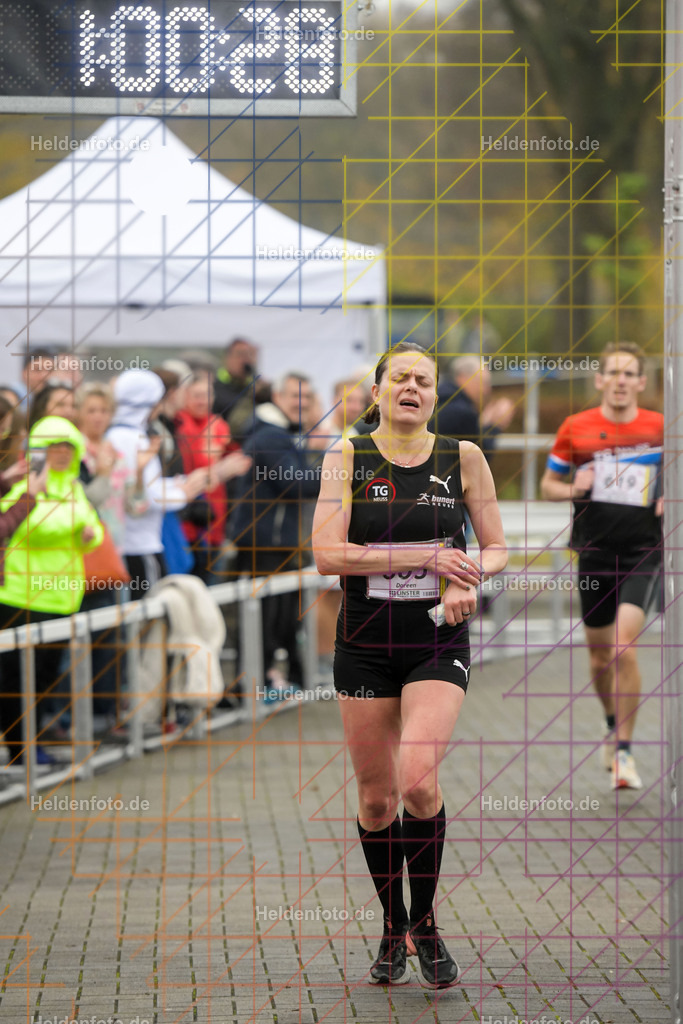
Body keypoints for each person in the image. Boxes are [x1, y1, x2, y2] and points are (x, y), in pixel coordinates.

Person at [312, 342, 507, 987]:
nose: (413, 387)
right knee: (375, 797)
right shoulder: (347, 456)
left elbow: (498, 546)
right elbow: (327, 555)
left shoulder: (463, 458)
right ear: (377, 391)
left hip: (435, 640)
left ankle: (422, 922)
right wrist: (421, 556)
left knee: (418, 780)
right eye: (401, 377)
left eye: (424, 380)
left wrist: (468, 579)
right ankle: (394, 924)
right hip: (365, 644)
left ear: (433, 395)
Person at [541, 342, 663, 791]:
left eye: (629, 374)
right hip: (593, 553)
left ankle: (626, 752)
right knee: (598, 658)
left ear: (641, 382)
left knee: (622, 649)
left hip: (644, 552)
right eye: (612, 372)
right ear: (599, 380)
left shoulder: (661, 428)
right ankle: (612, 723)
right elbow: (548, 485)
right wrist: (575, 485)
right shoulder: (576, 428)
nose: (620, 380)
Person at [0, 416, 104, 767]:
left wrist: (86, 535)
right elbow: (27, 528)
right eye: (54, 447)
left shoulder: (73, 487)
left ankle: (31, 744)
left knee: (45, 678)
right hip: (22, 596)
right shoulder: (25, 486)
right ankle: (19, 749)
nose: (61, 454)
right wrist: (75, 527)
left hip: (62, 597)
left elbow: (95, 529)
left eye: (67, 447)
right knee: (16, 679)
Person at [231, 372, 322, 692]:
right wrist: (338, 471)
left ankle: (271, 681)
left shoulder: (283, 434)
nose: (302, 404)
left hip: (278, 543)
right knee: (264, 621)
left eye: (307, 398)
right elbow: (295, 483)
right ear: (278, 398)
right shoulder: (270, 437)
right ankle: (252, 687)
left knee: (282, 619)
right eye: (296, 397)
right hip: (264, 544)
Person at [106, 369, 210, 589]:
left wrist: (175, 485)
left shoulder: (115, 435)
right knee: (147, 613)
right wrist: (185, 492)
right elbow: (143, 497)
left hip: (128, 544)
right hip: (139, 545)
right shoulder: (136, 440)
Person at [431, 355, 514, 461]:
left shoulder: (441, 399)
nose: (487, 390)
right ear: (463, 377)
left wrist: (482, 423)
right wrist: (495, 425)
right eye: (483, 382)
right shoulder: (462, 413)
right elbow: (481, 457)